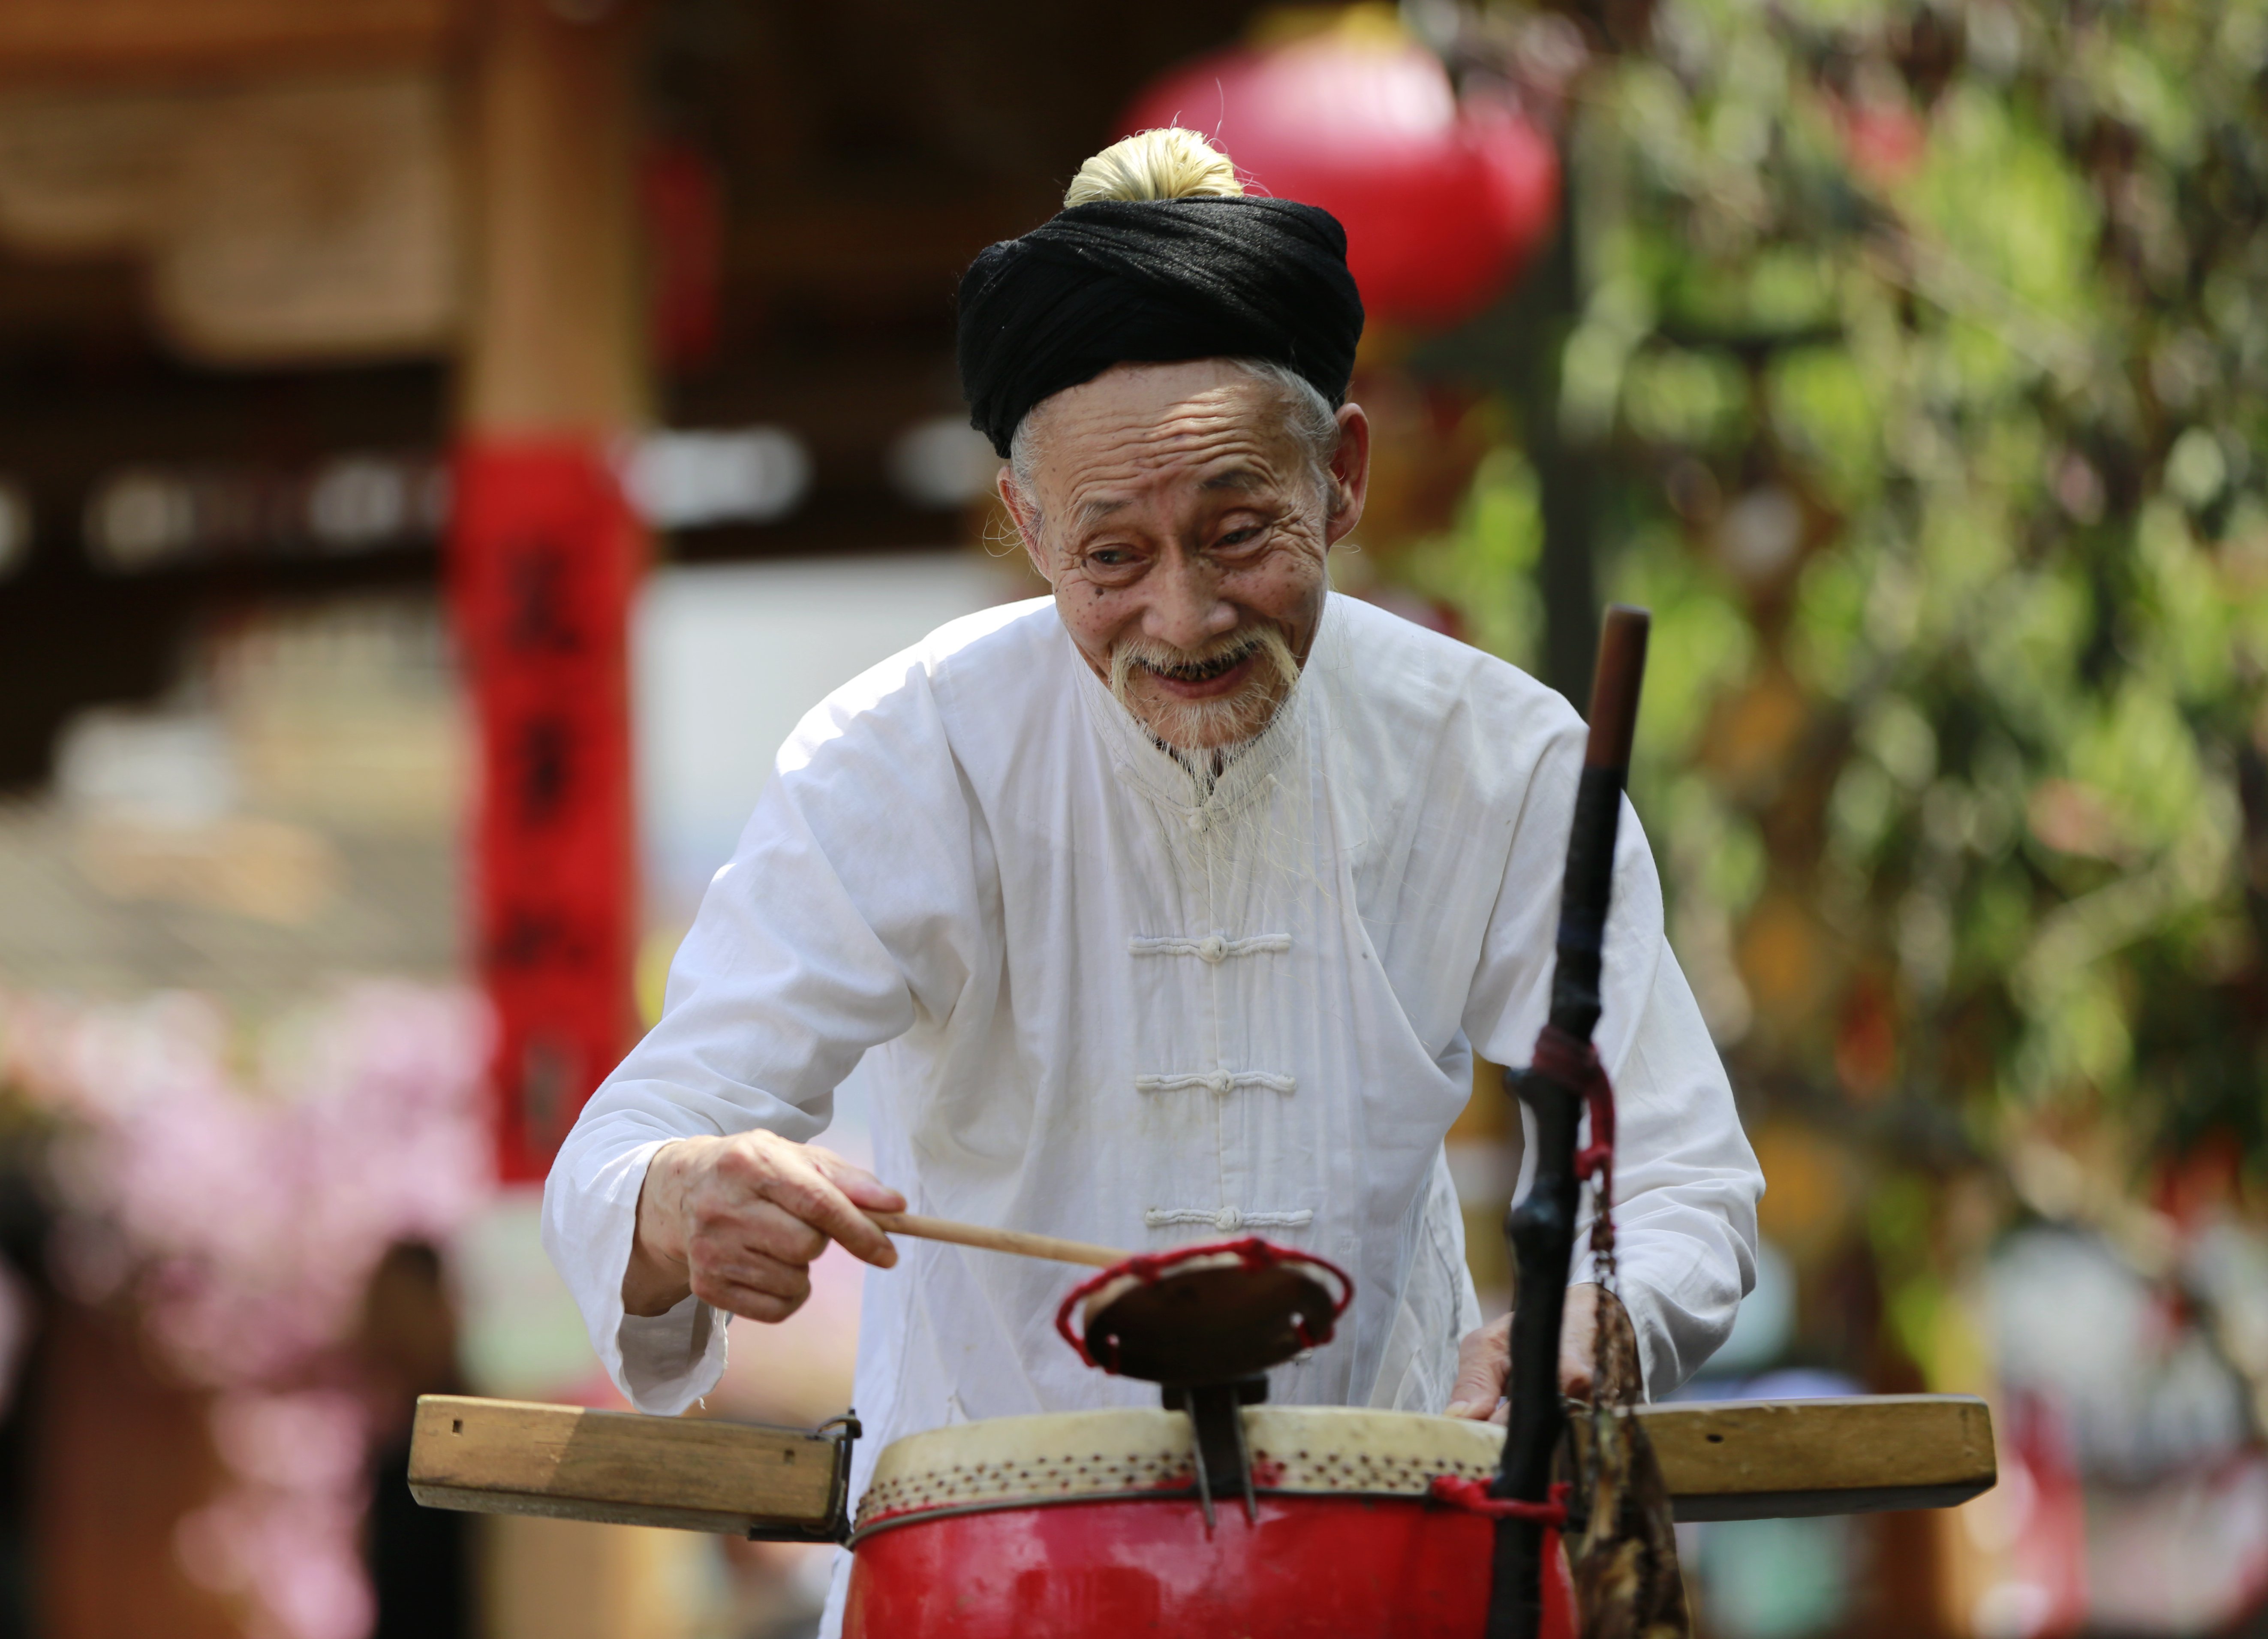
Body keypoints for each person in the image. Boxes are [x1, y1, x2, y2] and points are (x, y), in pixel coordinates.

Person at [545, 127, 1761, 1628]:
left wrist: (1591, 1316)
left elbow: (1681, 1179)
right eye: (1110, 559)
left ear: (1343, 481)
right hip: (994, 1585)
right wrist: (680, 1201)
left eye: (1238, 534)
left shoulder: (1496, 759)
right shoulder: (899, 758)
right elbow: (631, 1145)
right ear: (1024, 526)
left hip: (1380, 1566)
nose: (1180, 617)